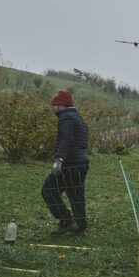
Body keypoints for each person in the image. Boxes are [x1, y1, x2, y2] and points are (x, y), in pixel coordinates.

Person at [41, 90, 90, 236]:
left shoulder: (66, 117)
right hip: (82, 162)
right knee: (76, 194)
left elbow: (66, 138)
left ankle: (66, 222)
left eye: (54, 105)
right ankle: (80, 227)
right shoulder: (79, 118)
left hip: (70, 163)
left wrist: (59, 159)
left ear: (62, 105)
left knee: (48, 190)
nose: (53, 108)